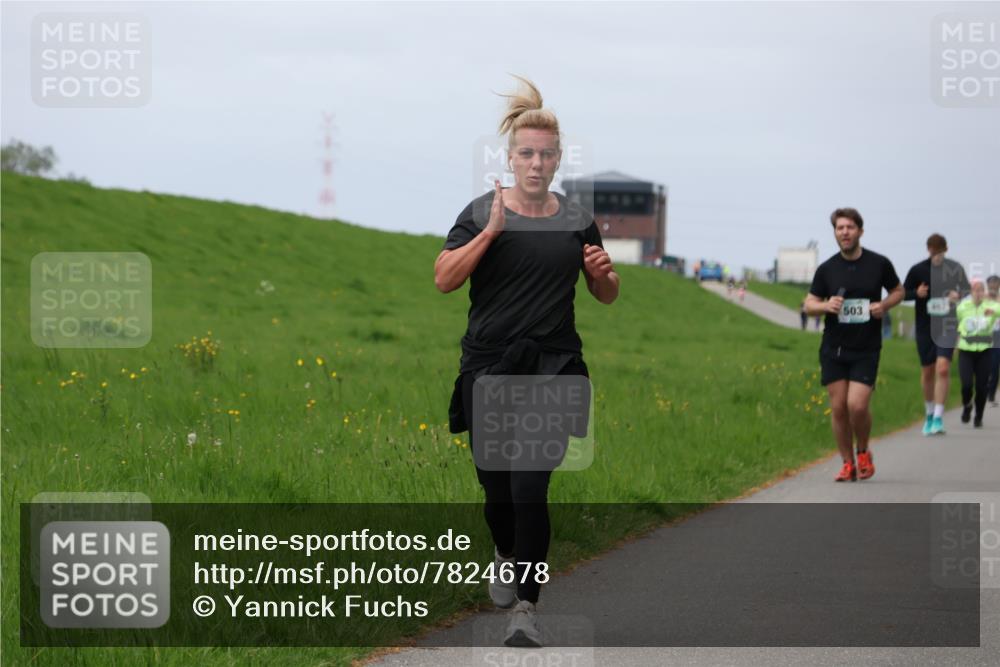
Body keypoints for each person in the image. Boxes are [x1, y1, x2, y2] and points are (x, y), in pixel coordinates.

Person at [435, 76, 620, 648]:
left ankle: (527, 606)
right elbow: (444, 279)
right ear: (510, 158)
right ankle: (505, 553)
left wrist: (603, 276)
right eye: (526, 154)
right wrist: (490, 232)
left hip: (554, 368)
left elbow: (606, 294)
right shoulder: (478, 213)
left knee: (529, 489)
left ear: (559, 159)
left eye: (546, 154)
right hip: (489, 369)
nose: (536, 163)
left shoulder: (578, 219)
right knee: (496, 494)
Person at [804, 208, 903, 482]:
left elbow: (898, 291)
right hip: (834, 348)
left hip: (867, 347)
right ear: (835, 233)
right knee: (838, 408)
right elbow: (809, 304)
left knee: (856, 406)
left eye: (849, 227)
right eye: (839, 228)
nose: (844, 232)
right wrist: (825, 305)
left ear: (860, 230)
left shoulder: (878, 264)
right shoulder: (827, 269)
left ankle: (863, 452)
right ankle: (847, 463)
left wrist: (884, 304)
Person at [902, 234, 970, 435]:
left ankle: (939, 416)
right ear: (928, 250)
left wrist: (958, 296)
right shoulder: (917, 269)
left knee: (942, 368)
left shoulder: (955, 268)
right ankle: (929, 413)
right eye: (933, 251)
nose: (936, 255)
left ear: (945, 249)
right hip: (925, 327)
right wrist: (917, 293)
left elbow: (968, 291)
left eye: (939, 251)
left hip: (948, 325)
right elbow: (903, 293)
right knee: (928, 371)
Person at [956, 279, 999, 427]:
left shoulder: (991, 307)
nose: (979, 292)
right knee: (966, 385)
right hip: (966, 350)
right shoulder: (963, 307)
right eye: (976, 289)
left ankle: (979, 416)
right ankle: (967, 406)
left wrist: (993, 309)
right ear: (971, 292)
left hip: (984, 351)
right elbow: (956, 320)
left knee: (982, 387)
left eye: (981, 289)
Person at [987, 275, 1000, 407]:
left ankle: (991, 395)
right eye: (991, 284)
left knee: (995, 366)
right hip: (985, 334)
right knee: (985, 364)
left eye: (996, 284)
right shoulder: (983, 299)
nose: (993, 286)